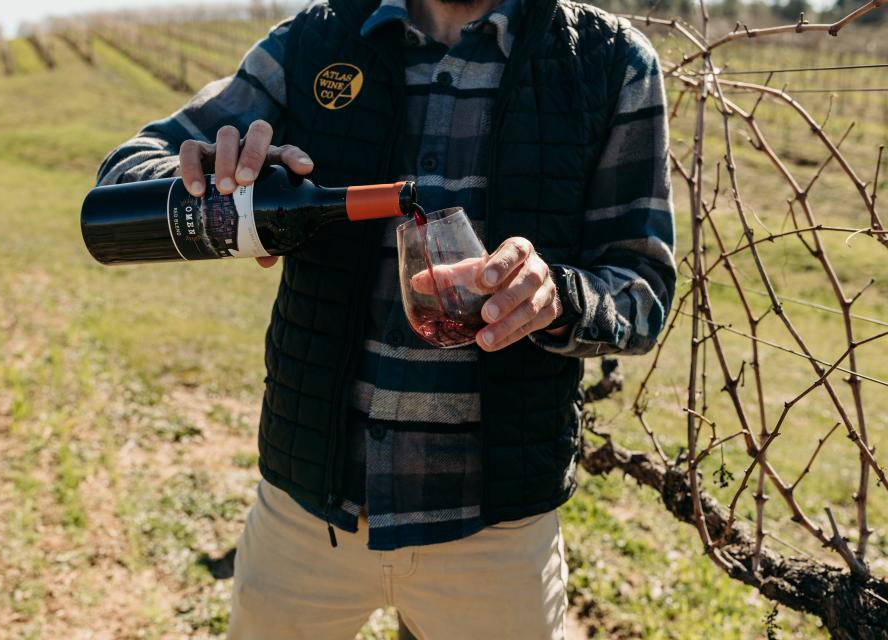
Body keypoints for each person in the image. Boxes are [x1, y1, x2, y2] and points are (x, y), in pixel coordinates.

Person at [97, 0, 675, 637]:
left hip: (498, 537)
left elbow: (641, 290)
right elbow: (127, 170)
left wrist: (558, 298)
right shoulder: (314, 41)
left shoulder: (609, 61)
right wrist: (204, 175)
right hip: (303, 519)